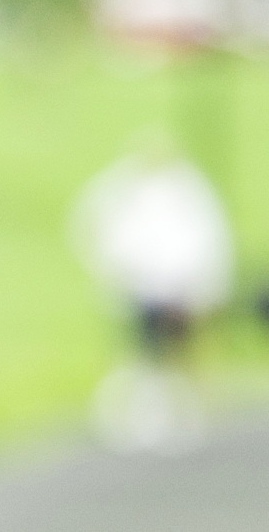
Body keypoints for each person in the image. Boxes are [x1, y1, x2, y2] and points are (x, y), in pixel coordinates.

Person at [71, 131, 234, 452]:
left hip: (177, 290)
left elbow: (203, 244)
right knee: (146, 354)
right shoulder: (131, 191)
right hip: (145, 291)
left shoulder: (185, 194)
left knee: (176, 355)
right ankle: (151, 413)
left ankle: (180, 412)